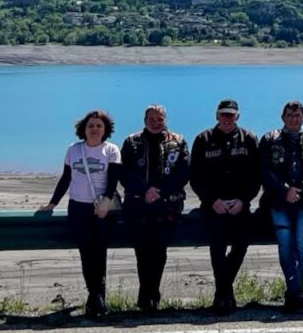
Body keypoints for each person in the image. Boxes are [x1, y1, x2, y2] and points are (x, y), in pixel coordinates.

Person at [39, 110, 123, 318]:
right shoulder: (74, 150)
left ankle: (97, 298)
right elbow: (66, 178)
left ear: (105, 129)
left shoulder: (111, 150)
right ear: (83, 129)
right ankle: (95, 297)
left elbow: (113, 180)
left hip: (101, 209)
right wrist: (52, 203)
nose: (94, 129)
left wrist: (105, 202)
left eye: (99, 126)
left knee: (99, 253)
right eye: (91, 125)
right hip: (78, 208)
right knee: (86, 253)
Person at [189, 99, 261, 314]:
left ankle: (222, 291)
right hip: (214, 206)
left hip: (240, 205)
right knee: (217, 247)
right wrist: (213, 201)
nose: (227, 118)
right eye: (223, 114)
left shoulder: (249, 139)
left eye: (231, 114)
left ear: (237, 116)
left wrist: (243, 200)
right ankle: (225, 296)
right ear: (217, 115)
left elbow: (256, 176)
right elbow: (195, 177)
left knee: (241, 245)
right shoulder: (203, 139)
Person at [119, 104, 190, 313]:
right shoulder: (131, 142)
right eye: (151, 119)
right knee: (142, 251)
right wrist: (145, 190)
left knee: (159, 250)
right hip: (138, 204)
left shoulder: (178, 141)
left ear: (165, 120)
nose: (156, 123)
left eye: (159, 119)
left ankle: (152, 295)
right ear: (144, 121)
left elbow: (184, 172)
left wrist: (160, 191)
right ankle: (146, 296)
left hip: (168, 204)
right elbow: (124, 172)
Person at [259, 100, 303, 313]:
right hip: (278, 202)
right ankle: (294, 290)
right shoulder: (270, 139)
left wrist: (300, 190)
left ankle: (296, 291)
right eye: (289, 115)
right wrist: (285, 190)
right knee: (285, 244)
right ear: (283, 117)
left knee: (300, 244)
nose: (293, 119)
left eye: (297, 115)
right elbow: (265, 170)